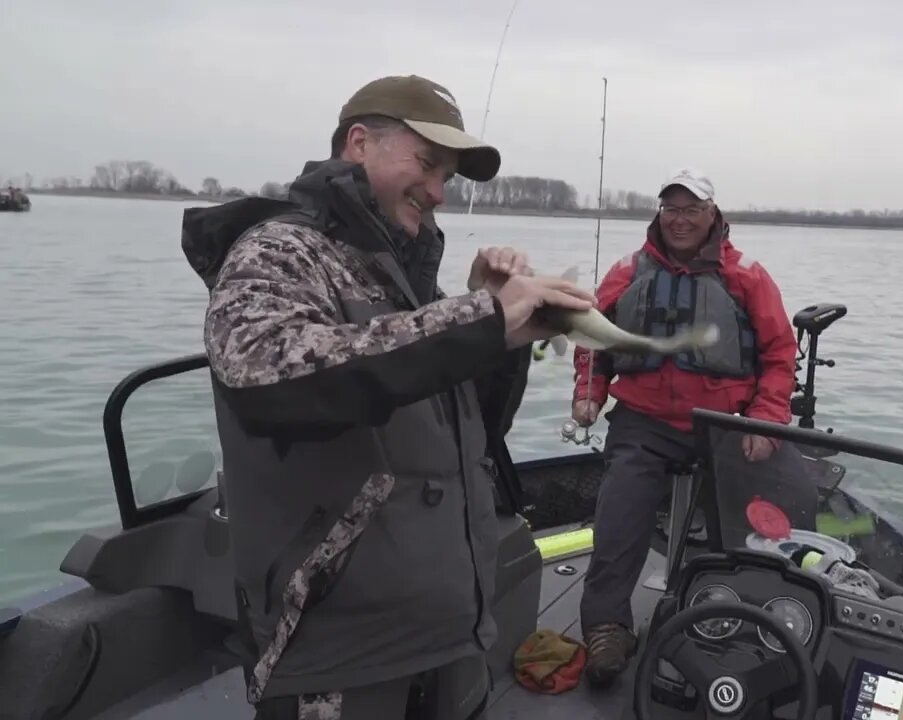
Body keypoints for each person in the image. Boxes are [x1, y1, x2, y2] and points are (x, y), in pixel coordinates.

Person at [179, 74, 595, 718]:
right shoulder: (279, 249)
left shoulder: (405, 278)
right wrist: (479, 321)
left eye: (447, 179)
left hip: (448, 643)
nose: (436, 193)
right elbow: (264, 376)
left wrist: (498, 335)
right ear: (359, 142)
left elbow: (470, 436)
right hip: (337, 661)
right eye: (427, 164)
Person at [570, 168, 800, 686]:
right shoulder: (627, 272)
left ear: (712, 215)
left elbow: (780, 355)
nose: (679, 220)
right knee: (620, 509)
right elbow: (590, 340)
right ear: (658, 214)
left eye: (691, 209)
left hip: (724, 424)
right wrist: (589, 394)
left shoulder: (748, 277)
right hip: (642, 423)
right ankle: (606, 626)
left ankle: (749, 620)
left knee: (771, 512)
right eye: (670, 209)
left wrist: (764, 422)